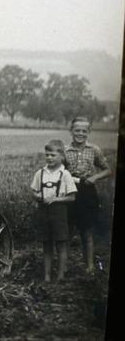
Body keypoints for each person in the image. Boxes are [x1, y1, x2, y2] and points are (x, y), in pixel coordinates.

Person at [64, 116, 111, 274]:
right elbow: (59, 171)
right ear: (71, 131)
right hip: (70, 191)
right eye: (77, 130)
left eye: (84, 131)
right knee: (68, 229)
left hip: (88, 192)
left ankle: (89, 266)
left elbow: (107, 169)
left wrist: (95, 177)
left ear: (89, 132)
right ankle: (64, 266)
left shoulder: (94, 150)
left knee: (87, 230)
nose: (80, 134)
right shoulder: (65, 151)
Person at [30, 140, 77, 282]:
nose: (49, 158)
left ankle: (61, 275)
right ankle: (47, 276)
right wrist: (38, 196)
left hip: (59, 213)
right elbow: (34, 192)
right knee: (46, 244)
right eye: (47, 155)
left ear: (61, 156)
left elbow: (72, 197)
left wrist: (55, 199)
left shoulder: (65, 174)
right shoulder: (40, 173)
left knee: (61, 243)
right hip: (43, 212)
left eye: (53, 155)